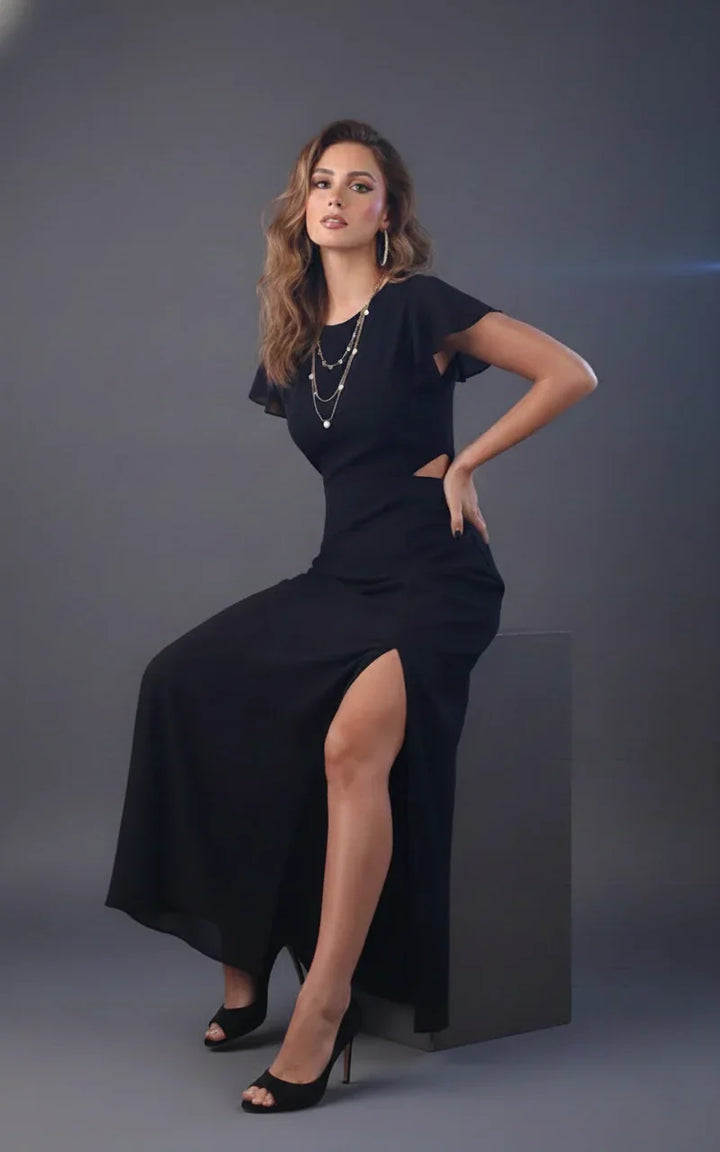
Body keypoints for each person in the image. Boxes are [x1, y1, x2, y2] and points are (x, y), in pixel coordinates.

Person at [104, 117, 597, 1115]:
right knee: (182, 681)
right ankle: (245, 960)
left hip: (435, 575)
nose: (335, 197)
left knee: (347, 750)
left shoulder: (419, 308)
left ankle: (321, 1013)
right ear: (300, 205)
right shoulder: (292, 331)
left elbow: (570, 371)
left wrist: (466, 461)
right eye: (319, 181)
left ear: (389, 211)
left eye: (359, 184)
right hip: (340, 573)